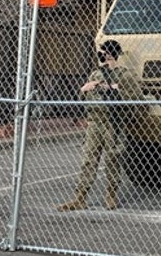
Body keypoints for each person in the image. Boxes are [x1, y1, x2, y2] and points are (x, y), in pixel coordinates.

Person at [58, 40, 139, 211]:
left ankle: (111, 195)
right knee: (89, 160)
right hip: (94, 122)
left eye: (102, 51)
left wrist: (115, 91)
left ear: (109, 54)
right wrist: (83, 90)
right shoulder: (95, 74)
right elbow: (81, 100)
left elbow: (136, 101)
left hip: (113, 123)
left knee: (112, 159)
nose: (99, 54)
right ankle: (80, 197)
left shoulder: (125, 75)